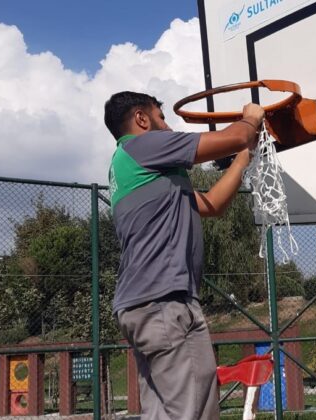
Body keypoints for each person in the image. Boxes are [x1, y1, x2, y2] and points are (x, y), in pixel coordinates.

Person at [104, 91, 264, 419]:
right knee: (195, 412)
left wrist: (242, 159)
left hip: (140, 307)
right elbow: (237, 136)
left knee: (163, 414)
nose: (168, 125)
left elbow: (213, 205)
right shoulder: (143, 146)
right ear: (141, 119)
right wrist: (250, 118)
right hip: (165, 302)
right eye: (161, 118)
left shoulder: (139, 172)